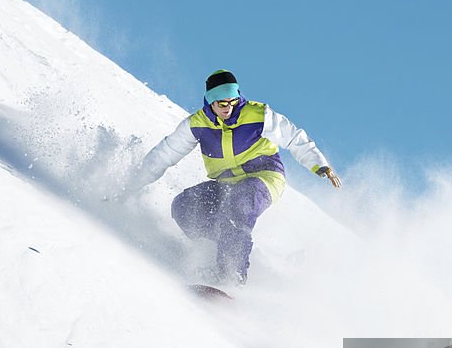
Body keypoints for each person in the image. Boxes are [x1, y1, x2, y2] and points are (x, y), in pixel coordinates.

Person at [133, 70, 342, 285]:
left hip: (264, 177)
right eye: (223, 104)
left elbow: (294, 138)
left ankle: (231, 275)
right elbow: (167, 152)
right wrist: (135, 180)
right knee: (184, 207)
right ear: (211, 103)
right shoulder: (197, 124)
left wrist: (321, 165)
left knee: (238, 206)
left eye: (233, 101)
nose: (229, 108)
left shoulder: (258, 115)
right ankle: (218, 250)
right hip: (225, 184)